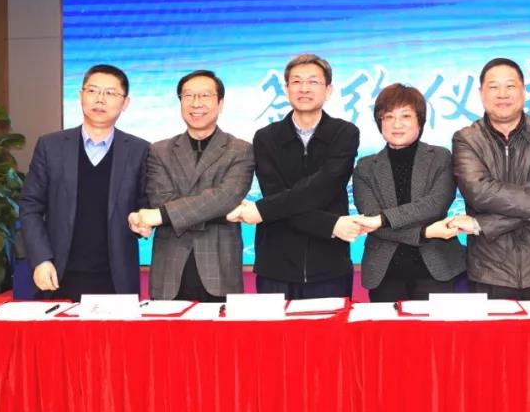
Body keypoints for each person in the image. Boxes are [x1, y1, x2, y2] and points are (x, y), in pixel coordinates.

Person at [228, 53, 362, 300]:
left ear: (328, 90)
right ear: (286, 89)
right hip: (275, 267)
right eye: (297, 81)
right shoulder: (265, 138)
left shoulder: (345, 133)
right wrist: (331, 225)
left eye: (313, 82)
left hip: (329, 266)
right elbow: (276, 195)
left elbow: (325, 187)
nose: (304, 89)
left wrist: (263, 210)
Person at [19, 64, 149, 299]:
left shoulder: (140, 150)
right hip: (56, 274)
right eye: (92, 91)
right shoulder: (51, 146)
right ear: (80, 96)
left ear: (125, 103)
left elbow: (145, 206)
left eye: (110, 93)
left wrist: (142, 223)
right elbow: (30, 206)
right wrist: (40, 259)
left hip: (116, 279)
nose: (100, 99)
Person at [127, 70, 254, 303]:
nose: (196, 103)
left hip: (219, 268)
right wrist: (220, 214)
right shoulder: (159, 150)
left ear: (220, 103)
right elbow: (160, 199)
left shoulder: (241, 149)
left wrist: (162, 216)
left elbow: (227, 197)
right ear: (180, 102)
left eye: (205, 95)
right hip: (169, 268)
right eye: (188, 96)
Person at [450, 57, 530, 300]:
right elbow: (480, 193)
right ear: (481, 93)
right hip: (488, 272)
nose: (502, 94)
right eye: (494, 87)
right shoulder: (466, 139)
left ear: (524, 91)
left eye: (510, 86)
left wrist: (480, 225)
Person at [352, 84, 468, 302]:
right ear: (380, 122)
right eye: (388, 117)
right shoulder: (365, 167)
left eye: (405, 116)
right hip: (385, 273)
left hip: (437, 268)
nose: (397, 124)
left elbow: (435, 205)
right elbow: (371, 221)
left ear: (419, 121)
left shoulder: (440, 157)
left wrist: (384, 219)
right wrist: (424, 233)